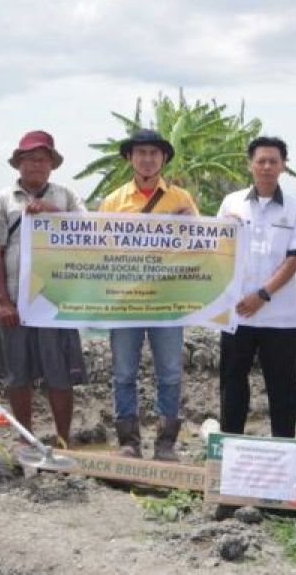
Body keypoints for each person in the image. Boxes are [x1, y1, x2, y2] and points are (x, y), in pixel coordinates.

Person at [0, 130, 88, 446]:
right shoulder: (2, 200)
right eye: (30, 160)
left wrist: (50, 211)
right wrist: (2, 300)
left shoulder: (66, 196)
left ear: (51, 165)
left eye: (42, 160)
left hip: (55, 300)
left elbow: (89, 229)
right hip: (14, 299)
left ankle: (63, 438)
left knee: (60, 373)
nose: (36, 166)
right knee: (17, 373)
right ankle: (26, 438)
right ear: (19, 164)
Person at [98, 128, 199, 460]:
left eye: (154, 153)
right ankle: (128, 440)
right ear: (130, 158)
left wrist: (190, 226)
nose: (147, 158)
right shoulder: (113, 202)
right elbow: (95, 247)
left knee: (170, 372)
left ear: (163, 159)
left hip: (167, 301)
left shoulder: (181, 200)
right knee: (123, 372)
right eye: (140, 152)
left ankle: (166, 442)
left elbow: (202, 249)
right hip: (125, 301)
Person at [216, 136, 296, 438]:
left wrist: (262, 295)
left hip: (279, 316)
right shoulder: (231, 203)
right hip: (236, 313)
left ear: (283, 166)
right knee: (232, 384)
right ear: (251, 165)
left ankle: (283, 449)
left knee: (283, 388)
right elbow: (216, 250)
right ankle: (230, 446)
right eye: (261, 161)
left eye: (274, 161)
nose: (267, 166)